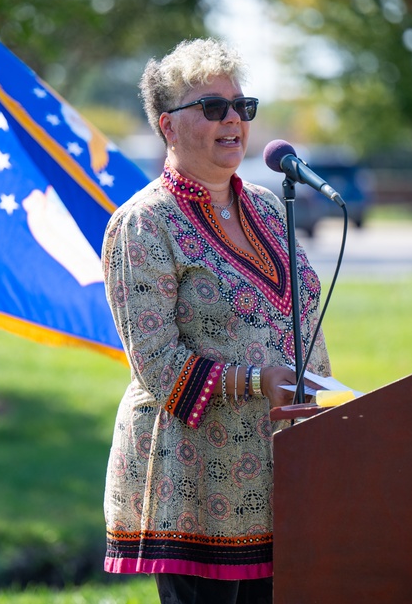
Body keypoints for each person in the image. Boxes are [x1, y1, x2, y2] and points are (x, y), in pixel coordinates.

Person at [101, 38, 332, 604]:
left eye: (241, 106)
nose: (233, 119)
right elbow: (156, 363)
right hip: (196, 485)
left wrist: (330, 412)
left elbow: (302, 321)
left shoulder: (272, 208)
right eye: (212, 107)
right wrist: (257, 381)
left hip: (283, 475)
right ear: (167, 127)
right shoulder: (142, 224)